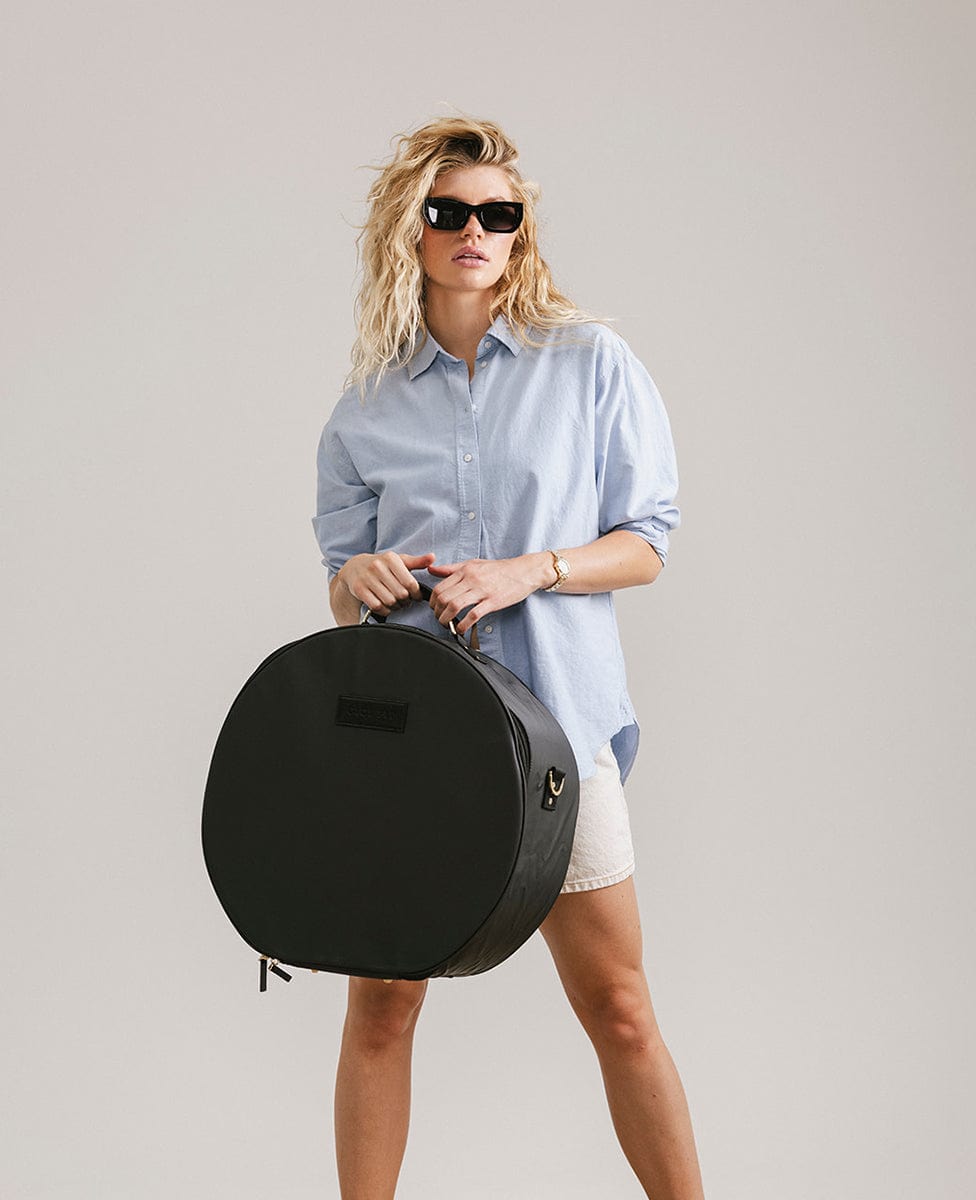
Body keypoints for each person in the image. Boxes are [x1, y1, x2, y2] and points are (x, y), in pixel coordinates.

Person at [312, 115, 706, 1200]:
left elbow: (647, 542)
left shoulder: (590, 364)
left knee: (618, 1006)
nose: (474, 231)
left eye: (499, 213)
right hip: (415, 750)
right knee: (381, 1007)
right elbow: (342, 590)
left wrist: (533, 569)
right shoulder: (366, 406)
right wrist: (361, 579)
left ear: (522, 230)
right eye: (449, 212)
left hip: (559, 739)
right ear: (412, 229)